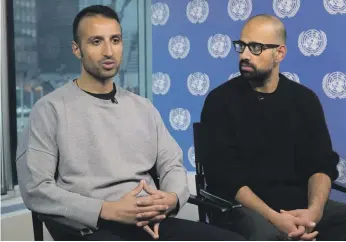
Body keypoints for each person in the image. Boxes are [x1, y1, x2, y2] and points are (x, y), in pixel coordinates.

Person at [16, 5, 245, 241]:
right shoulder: (49, 109)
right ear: (77, 49)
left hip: (151, 223)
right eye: (96, 41)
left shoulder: (142, 107)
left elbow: (172, 164)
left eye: (115, 40)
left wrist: (171, 198)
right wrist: (106, 209)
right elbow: (36, 189)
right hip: (93, 228)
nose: (108, 51)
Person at [201, 14, 346, 241]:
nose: (245, 55)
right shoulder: (220, 101)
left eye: (256, 47)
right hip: (244, 208)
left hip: (300, 207)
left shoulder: (305, 100)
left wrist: (313, 214)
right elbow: (226, 177)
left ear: (279, 53)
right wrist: (275, 218)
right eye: (242, 46)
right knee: (269, 235)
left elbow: (321, 164)